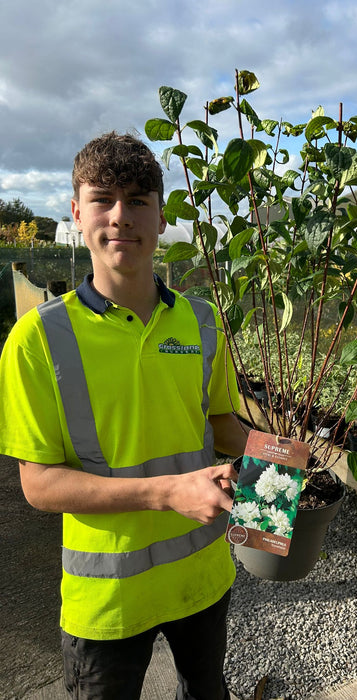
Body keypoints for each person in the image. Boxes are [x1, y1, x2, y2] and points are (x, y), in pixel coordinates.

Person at [0, 132, 249, 699]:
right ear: (75, 213)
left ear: (162, 217)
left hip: (203, 577)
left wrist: (288, 450)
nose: (121, 216)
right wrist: (166, 493)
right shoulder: (39, 338)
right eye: (103, 199)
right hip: (107, 599)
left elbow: (224, 429)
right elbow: (39, 486)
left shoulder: (203, 322)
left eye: (138, 200)